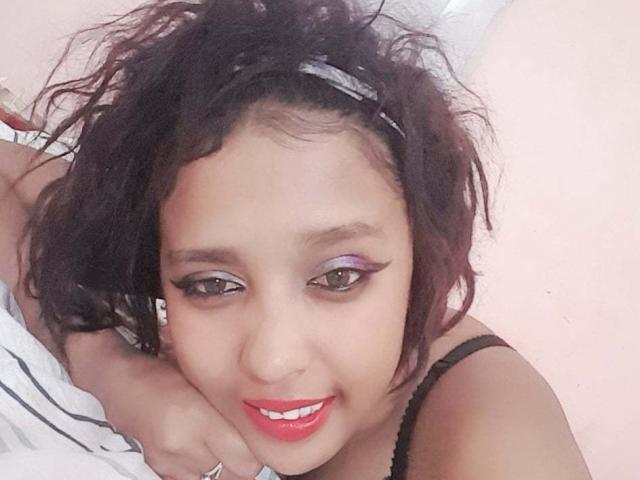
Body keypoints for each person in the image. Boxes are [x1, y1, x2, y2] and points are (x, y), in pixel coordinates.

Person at [2, 0, 591, 479]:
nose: (273, 359)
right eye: (213, 285)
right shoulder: (174, 222)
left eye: (338, 277)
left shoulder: (492, 444)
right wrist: (106, 365)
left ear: (423, 252)